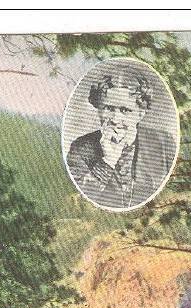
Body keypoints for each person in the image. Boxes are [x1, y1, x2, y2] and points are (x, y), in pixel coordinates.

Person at [66, 66, 176, 209]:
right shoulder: (80, 149)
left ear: (140, 113)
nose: (115, 119)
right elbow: (79, 201)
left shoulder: (164, 144)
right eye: (108, 108)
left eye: (125, 110)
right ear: (99, 109)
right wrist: (108, 161)